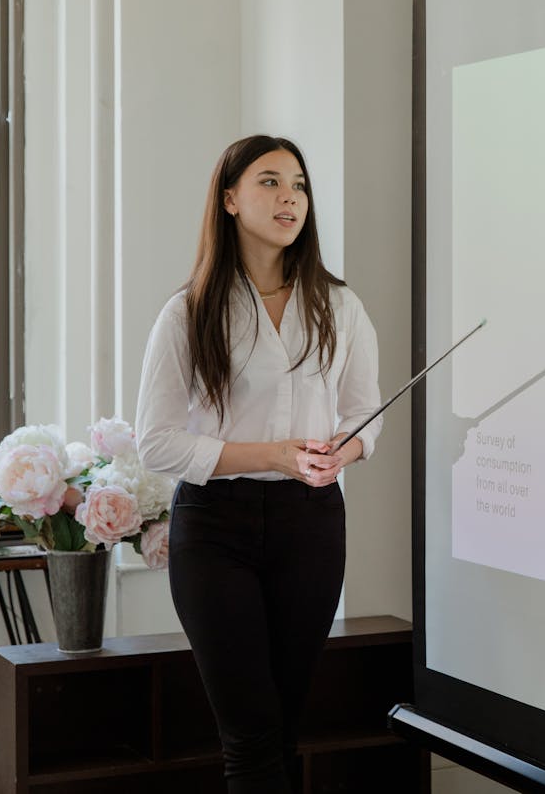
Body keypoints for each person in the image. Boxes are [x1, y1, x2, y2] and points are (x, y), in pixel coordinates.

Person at [136, 135, 382, 793]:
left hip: (311, 525)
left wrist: (344, 451)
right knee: (248, 732)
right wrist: (272, 453)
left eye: (298, 184)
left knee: (285, 723)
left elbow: (366, 415)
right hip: (215, 529)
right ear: (229, 199)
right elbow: (156, 441)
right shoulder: (187, 311)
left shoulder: (341, 305)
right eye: (269, 182)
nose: (289, 197)